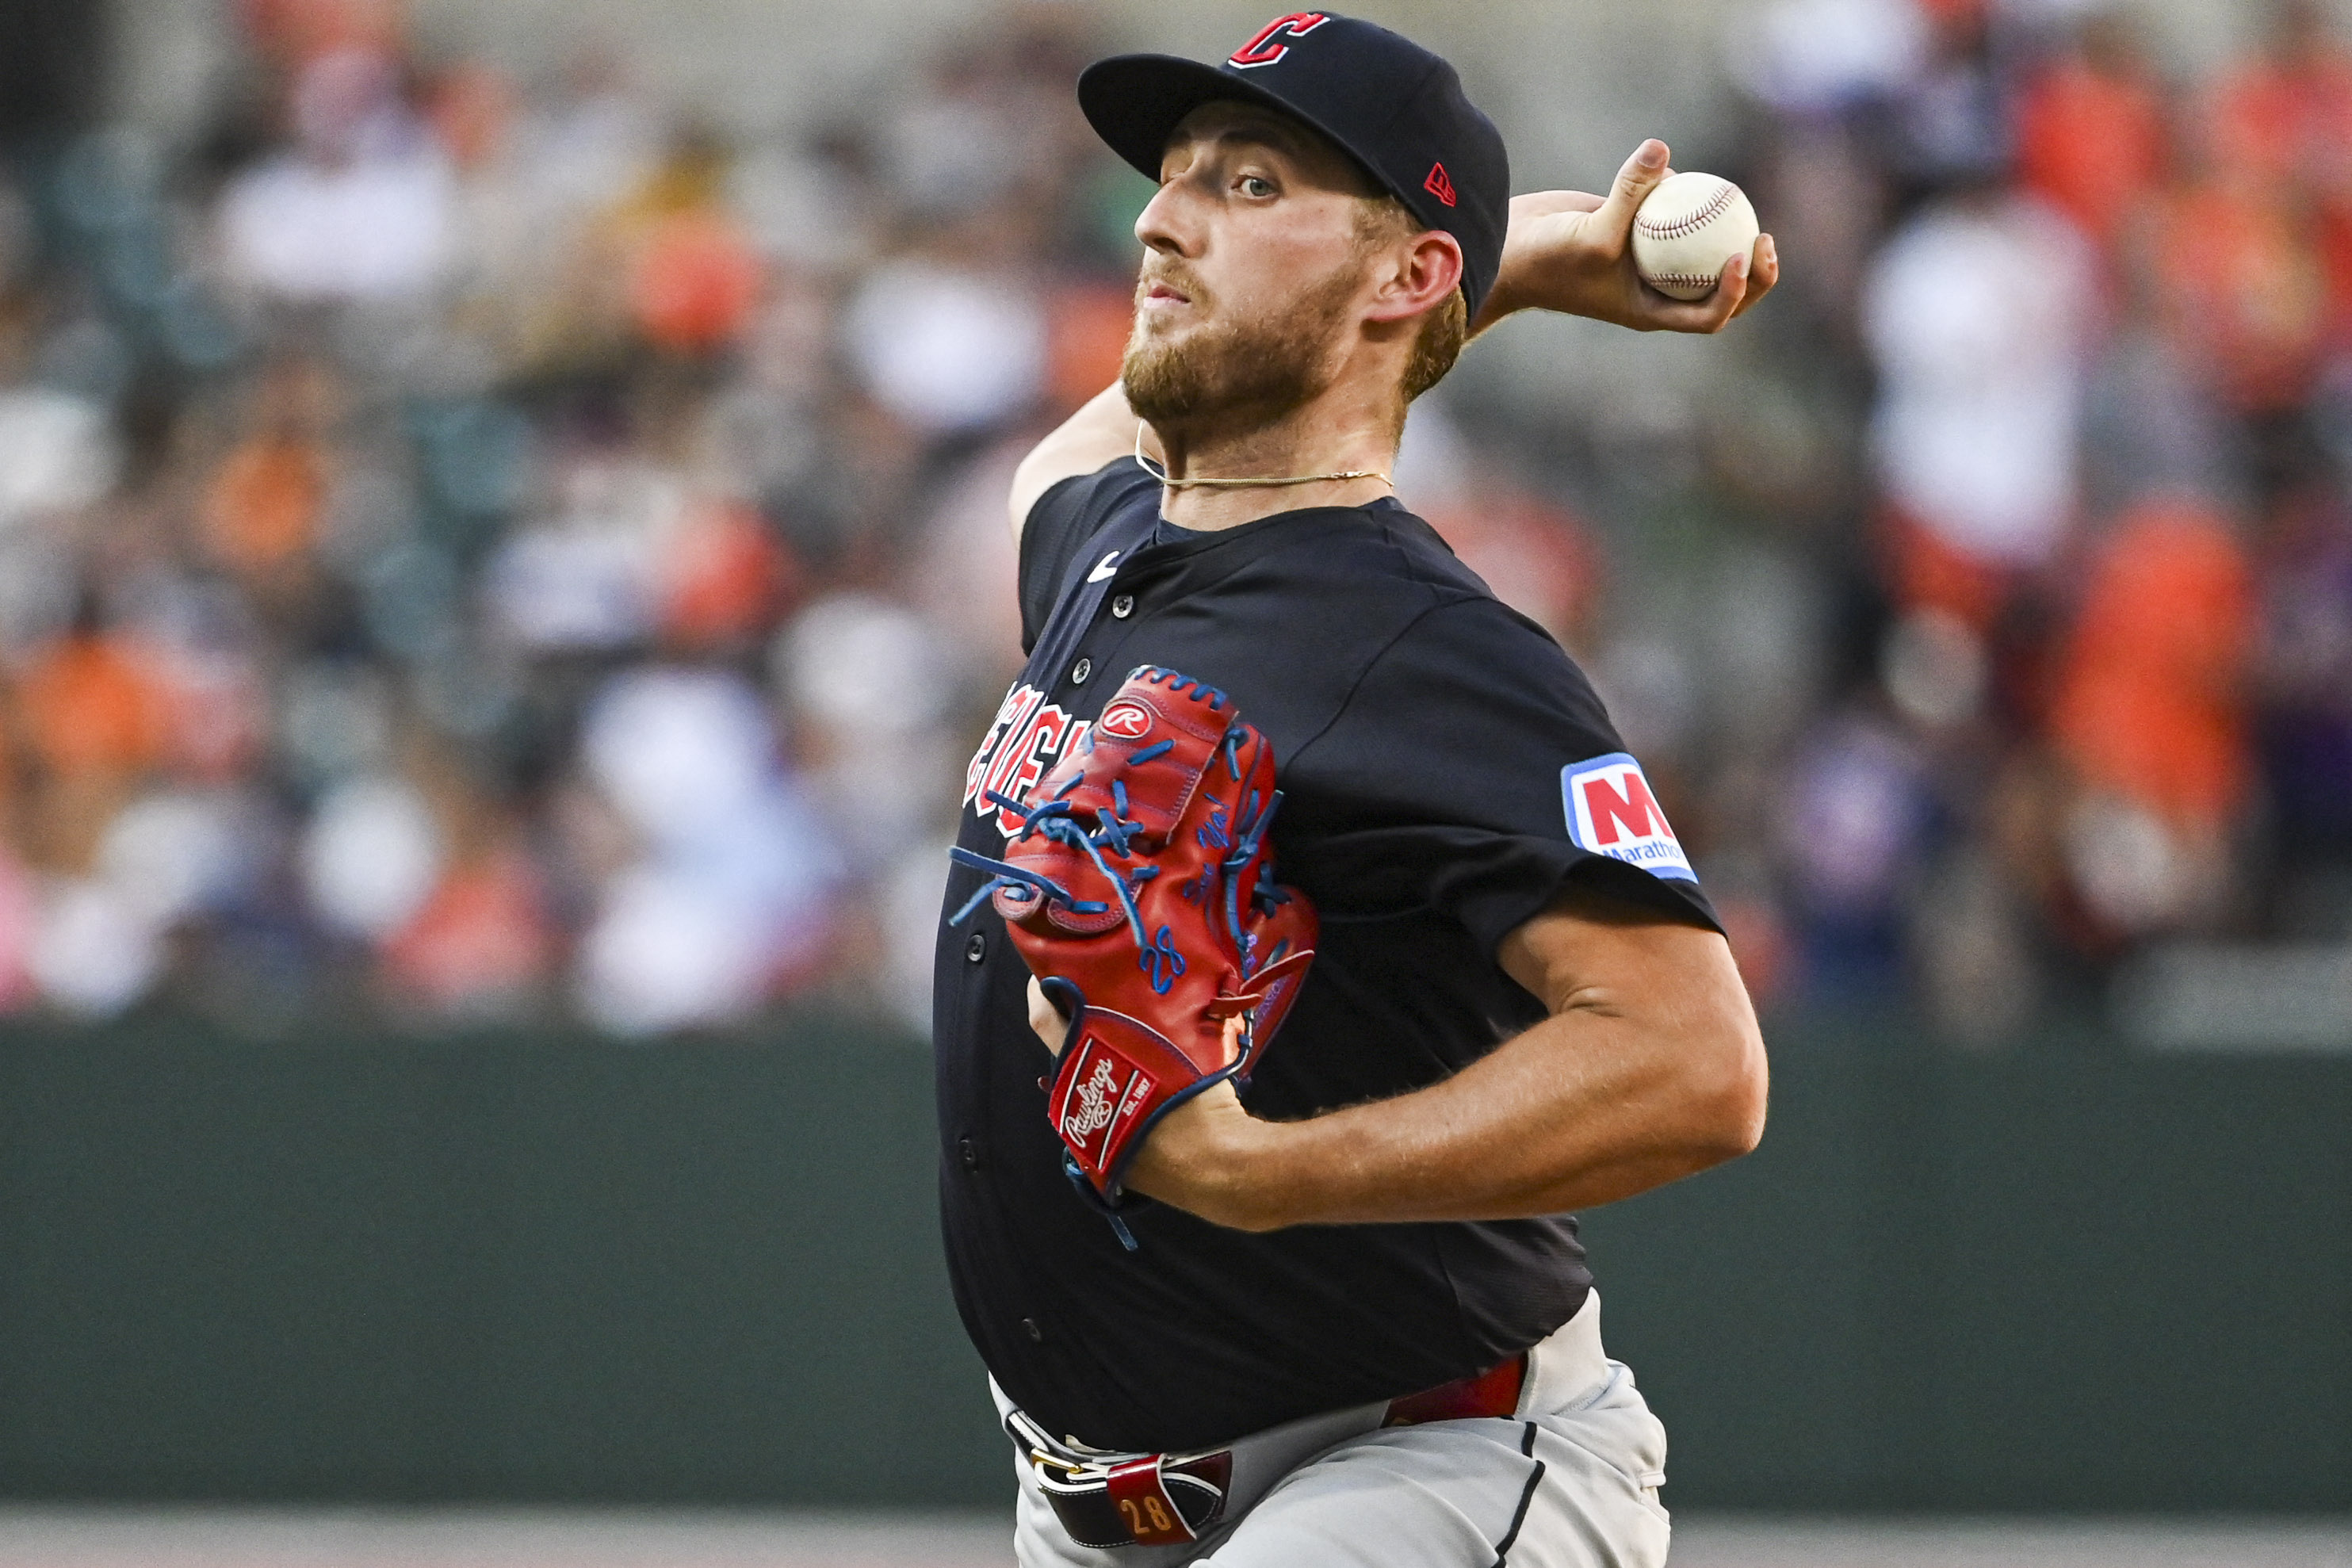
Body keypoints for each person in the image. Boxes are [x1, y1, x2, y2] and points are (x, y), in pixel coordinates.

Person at [934, 15, 1778, 1566]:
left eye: (1249, 185)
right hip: (1100, 1502)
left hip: (1429, 1454)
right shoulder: (1113, 550)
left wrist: (1257, 1175)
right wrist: (1503, 265)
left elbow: (1695, 1063)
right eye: (1170, 179)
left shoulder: (1425, 644)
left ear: (1398, 277)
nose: (1160, 217)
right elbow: (1055, 460)